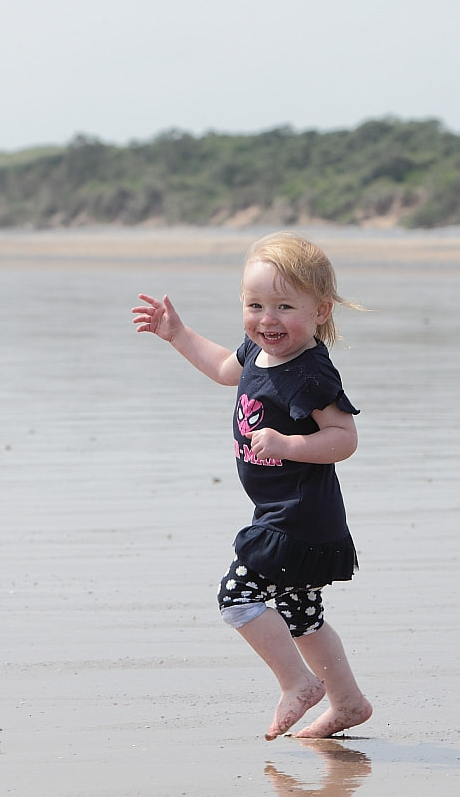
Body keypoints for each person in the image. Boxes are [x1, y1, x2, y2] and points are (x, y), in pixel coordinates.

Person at [131, 231, 372, 740]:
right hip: (290, 512)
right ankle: (347, 702)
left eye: (285, 306)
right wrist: (177, 334)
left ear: (321, 311)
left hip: (298, 515)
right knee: (302, 614)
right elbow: (223, 368)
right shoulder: (260, 353)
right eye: (255, 304)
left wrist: (289, 444)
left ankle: (297, 684)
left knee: (237, 596)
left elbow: (343, 437)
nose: (268, 319)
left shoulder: (309, 374)